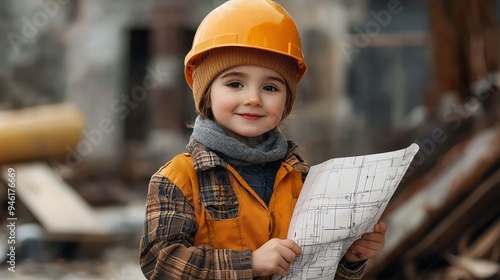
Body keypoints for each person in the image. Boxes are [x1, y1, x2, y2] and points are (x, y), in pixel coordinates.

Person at [139, 0, 387, 279]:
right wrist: (250, 263)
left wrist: (348, 259)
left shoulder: (300, 178)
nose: (254, 98)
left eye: (270, 87)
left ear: (287, 100)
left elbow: (313, 270)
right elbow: (160, 264)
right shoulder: (179, 178)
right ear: (206, 92)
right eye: (235, 83)